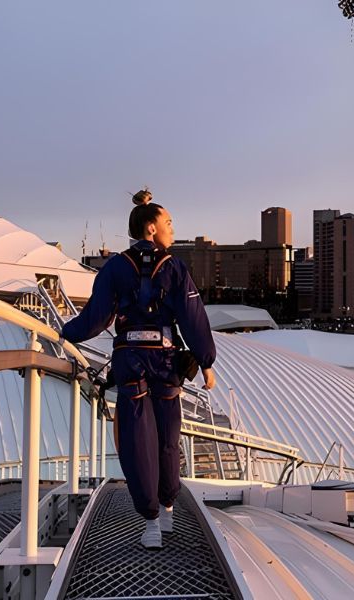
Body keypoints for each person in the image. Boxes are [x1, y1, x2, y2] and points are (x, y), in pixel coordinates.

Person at [60, 189, 216, 550]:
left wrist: (65, 333)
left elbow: (95, 319)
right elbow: (193, 319)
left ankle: (149, 524)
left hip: (130, 360)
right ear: (151, 228)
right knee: (166, 438)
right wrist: (206, 362)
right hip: (165, 362)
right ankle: (167, 509)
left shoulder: (115, 268)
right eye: (169, 223)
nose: (173, 230)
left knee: (136, 440)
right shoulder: (175, 268)